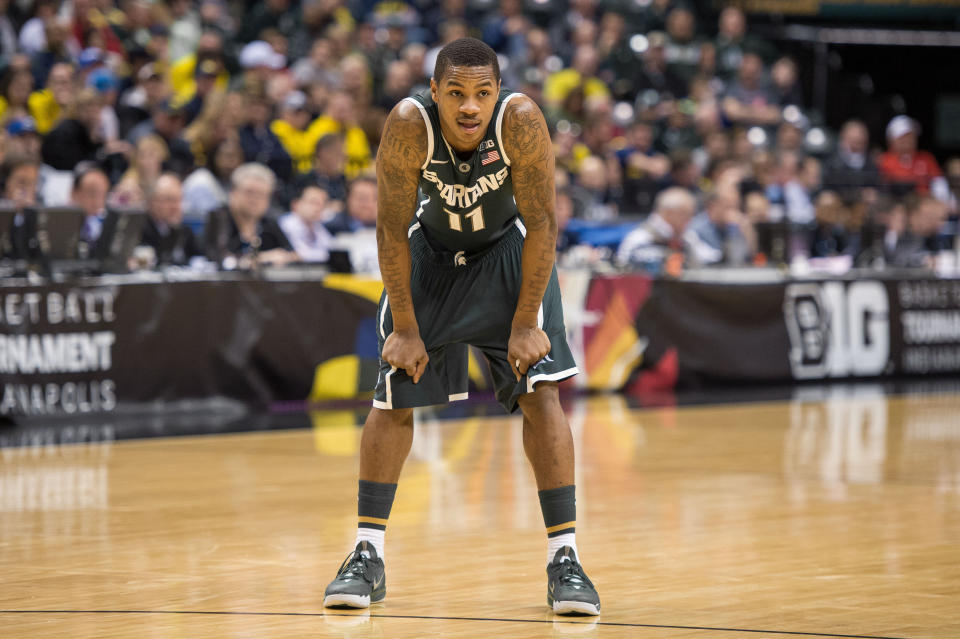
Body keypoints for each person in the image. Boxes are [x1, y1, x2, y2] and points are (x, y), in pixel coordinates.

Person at [322, 37, 600, 617]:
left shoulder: (520, 121)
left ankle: (565, 558)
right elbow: (391, 230)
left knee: (540, 392)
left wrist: (526, 321)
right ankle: (366, 552)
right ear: (435, 93)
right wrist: (404, 326)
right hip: (431, 257)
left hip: (507, 257)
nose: (469, 106)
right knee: (391, 395)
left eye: (481, 93)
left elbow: (544, 221)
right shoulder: (408, 125)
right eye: (456, 93)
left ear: (498, 93)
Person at [140, 173, 203, 266]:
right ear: (152, 202)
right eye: (169, 200)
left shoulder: (185, 231)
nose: (176, 206)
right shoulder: (140, 230)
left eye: (179, 200)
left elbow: (201, 258)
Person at [278, 183, 332, 262]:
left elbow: (331, 252)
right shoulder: (287, 224)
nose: (319, 208)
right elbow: (298, 254)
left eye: (322, 204)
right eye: (313, 202)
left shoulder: (317, 226)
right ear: (295, 204)